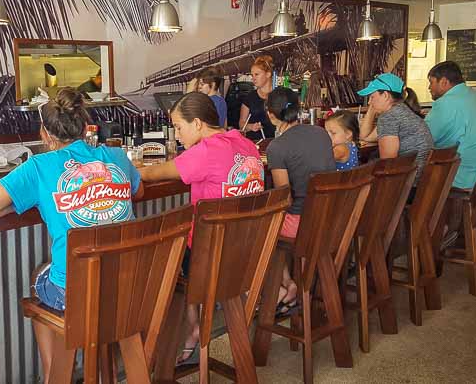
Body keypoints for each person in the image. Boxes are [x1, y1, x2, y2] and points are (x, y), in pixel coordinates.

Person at [0, 88, 143, 376]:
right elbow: (139, 189)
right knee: (53, 274)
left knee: (40, 278)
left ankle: (54, 375)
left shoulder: (39, 166)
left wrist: (21, 203)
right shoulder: (117, 155)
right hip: (131, 286)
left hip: (78, 294)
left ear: (45, 134)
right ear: (86, 127)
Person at [139, 91, 264, 365]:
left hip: (212, 258)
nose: (177, 135)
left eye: (178, 127)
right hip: (246, 251)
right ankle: (197, 327)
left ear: (197, 124)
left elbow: (153, 173)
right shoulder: (246, 144)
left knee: (158, 261)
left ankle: (172, 342)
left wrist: (132, 170)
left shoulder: (205, 151)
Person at [265, 87, 335, 313]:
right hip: (330, 218)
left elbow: (283, 195)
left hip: (301, 225)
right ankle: (287, 287)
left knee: (259, 231)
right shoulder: (321, 133)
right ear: (299, 109)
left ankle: (284, 288)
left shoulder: (277, 147)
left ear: (271, 116)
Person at [426, 61, 476, 190]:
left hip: (460, 178)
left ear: (444, 82)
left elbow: (424, 139)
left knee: (405, 179)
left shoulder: (446, 103)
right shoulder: (474, 96)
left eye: (431, 82)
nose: (429, 88)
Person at [358, 73, 434, 180]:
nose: (369, 102)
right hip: (419, 180)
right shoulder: (402, 110)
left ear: (385, 95)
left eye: (372, 97)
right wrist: (372, 108)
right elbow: (364, 137)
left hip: (404, 185)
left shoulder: (388, 117)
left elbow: (388, 162)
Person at [238, 55, 277, 140]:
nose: (253, 78)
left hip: (276, 142)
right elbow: (241, 124)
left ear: (268, 74)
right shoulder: (249, 98)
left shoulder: (280, 95)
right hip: (254, 144)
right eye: (252, 75)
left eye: (257, 74)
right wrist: (251, 126)